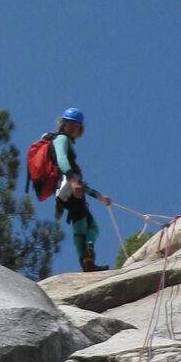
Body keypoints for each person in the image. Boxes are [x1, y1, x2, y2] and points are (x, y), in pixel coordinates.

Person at [52, 108, 112, 272]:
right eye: (70, 124)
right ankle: (86, 262)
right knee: (83, 227)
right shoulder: (61, 139)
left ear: (80, 129)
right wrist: (72, 180)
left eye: (76, 125)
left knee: (92, 228)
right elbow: (61, 159)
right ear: (63, 124)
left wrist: (98, 196)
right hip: (69, 188)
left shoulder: (67, 142)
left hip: (71, 189)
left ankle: (87, 257)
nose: (73, 127)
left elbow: (79, 180)